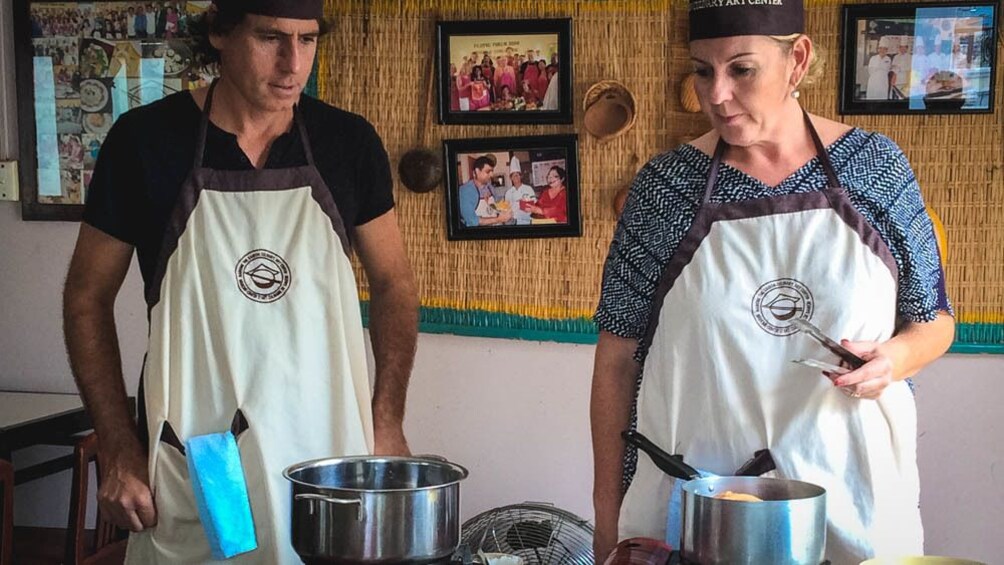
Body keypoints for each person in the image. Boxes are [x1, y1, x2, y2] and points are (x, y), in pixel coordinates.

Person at [590, 0, 955, 563]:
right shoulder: (665, 189)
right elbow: (616, 358)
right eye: (703, 69)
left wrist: (893, 361)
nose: (716, 94)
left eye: (742, 69)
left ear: (797, 60)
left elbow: (933, 324)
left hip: (855, 502)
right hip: (697, 507)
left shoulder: (874, 167)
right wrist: (606, 516)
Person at [62, 1, 420, 563]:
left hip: (327, 448)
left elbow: (395, 283)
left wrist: (387, 418)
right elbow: (86, 298)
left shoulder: (347, 143)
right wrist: (118, 447)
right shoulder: (145, 143)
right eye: (271, 38)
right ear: (220, 34)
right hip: (203, 453)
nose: (292, 64)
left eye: (307, 40)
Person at [458, 156, 512, 227]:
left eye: (492, 171)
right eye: (488, 171)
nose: (492, 175)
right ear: (477, 171)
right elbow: (472, 221)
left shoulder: (489, 186)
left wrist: (506, 210)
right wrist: (498, 219)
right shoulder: (466, 191)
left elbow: (496, 205)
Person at [865, 35, 894, 100]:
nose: (882, 50)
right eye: (881, 48)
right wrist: (879, 65)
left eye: (884, 49)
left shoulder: (888, 59)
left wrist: (880, 67)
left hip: (883, 81)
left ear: (886, 50)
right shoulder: (873, 58)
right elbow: (870, 70)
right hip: (874, 81)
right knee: (872, 98)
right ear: (878, 49)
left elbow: (887, 69)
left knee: (882, 98)